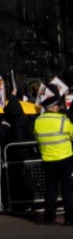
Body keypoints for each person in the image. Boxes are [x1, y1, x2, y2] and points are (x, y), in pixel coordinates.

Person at [33, 93, 73, 225]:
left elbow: (36, 137)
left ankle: (49, 217)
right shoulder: (63, 120)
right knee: (67, 190)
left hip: (48, 160)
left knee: (51, 190)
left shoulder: (38, 121)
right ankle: (69, 219)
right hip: (65, 158)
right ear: (54, 107)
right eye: (58, 106)